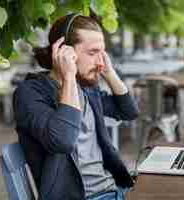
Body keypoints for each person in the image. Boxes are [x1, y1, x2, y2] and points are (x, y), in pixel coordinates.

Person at [13, 13, 139, 200]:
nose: (100, 61)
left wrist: (109, 73)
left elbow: (129, 112)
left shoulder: (86, 89)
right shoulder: (30, 93)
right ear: (65, 53)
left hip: (115, 189)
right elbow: (63, 141)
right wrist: (69, 76)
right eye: (92, 53)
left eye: (102, 53)